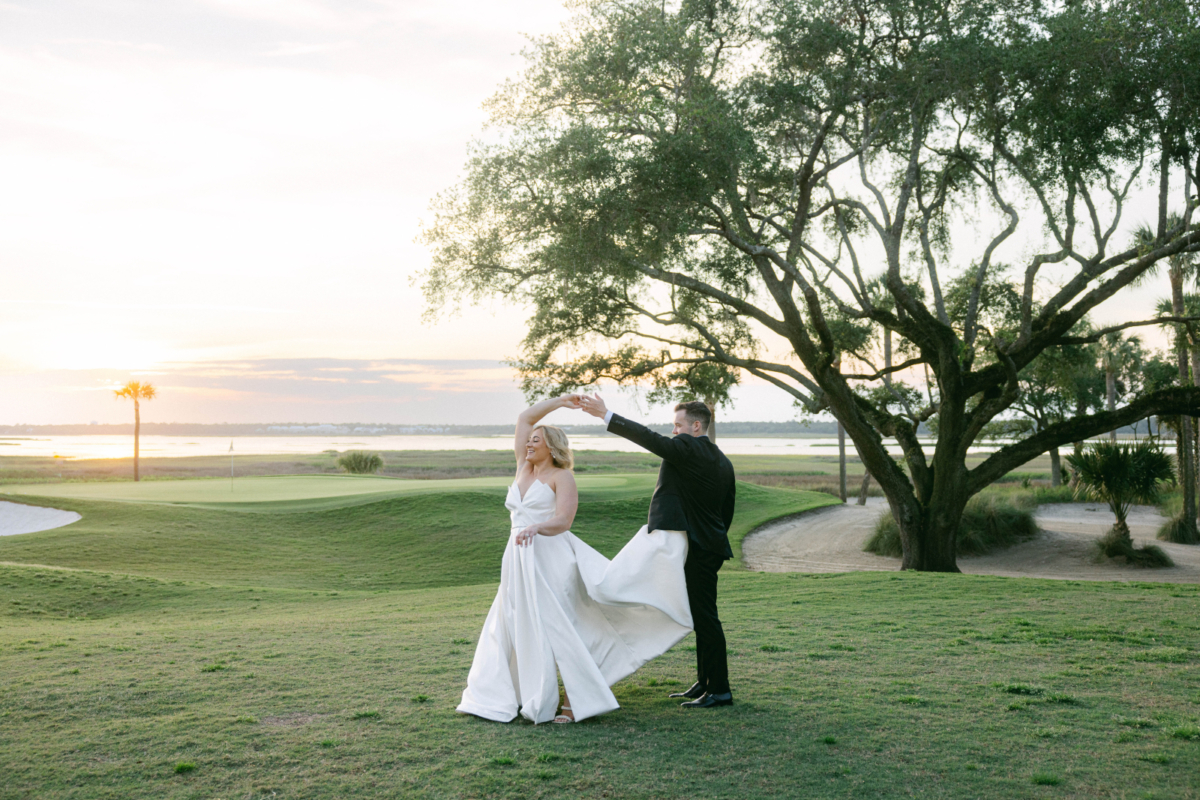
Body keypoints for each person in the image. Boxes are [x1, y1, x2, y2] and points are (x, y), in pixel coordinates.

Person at [456, 395, 693, 724]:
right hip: (517, 560)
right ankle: (507, 695)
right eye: (528, 440)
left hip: (552, 559)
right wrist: (560, 401)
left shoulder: (562, 477)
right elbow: (525, 417)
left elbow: (564, 521)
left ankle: (572, 703)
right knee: (511, 624)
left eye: (535, 441)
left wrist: (537, 527)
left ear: (550, 447)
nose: (527, 443)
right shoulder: (523, 468)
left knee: (563, 628)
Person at [580, 395, 736, 709]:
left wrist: (606, 415)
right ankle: (705, 682)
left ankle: (719, 690)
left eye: (678, 426)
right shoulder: (722, 459)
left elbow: (651, 440)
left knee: (706, 618)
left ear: (695, 426)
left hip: (700, 548)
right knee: (701, 616)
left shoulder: (688, 447)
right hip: (709, 546)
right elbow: (726, 510)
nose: (674, 432)